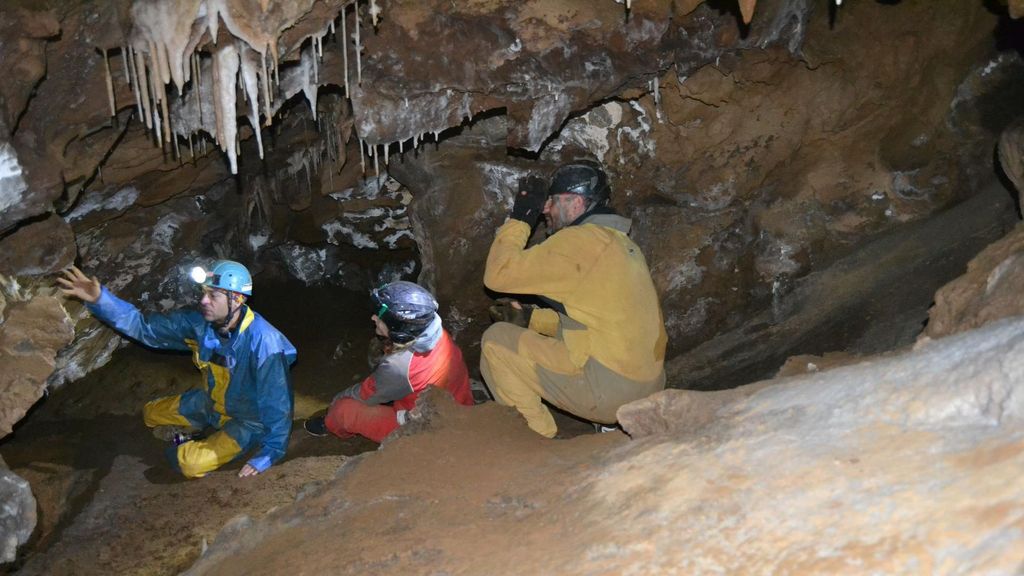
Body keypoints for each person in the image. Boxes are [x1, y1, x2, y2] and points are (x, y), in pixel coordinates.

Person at [480, 159, 667, 438]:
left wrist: (521, 217)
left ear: (576, 203)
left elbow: (497, 275)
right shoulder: (622, 245)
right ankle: (610, 422)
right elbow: (591, 321)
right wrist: (531, 319)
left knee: (495, 341)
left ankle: (534, 439)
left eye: (552, 201)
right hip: (648, 385)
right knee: (552, 338)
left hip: (611, 390)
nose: (546, 209)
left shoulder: (578, 242)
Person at [58, 260, 296, 479]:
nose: (204, 301)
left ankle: (194, 439)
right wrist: (100, 299)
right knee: (150, 413)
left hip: (247, 421)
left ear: (237, 299)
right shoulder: (201, 325)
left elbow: (277, 403)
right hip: (212, 404)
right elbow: (145, 328)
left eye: (213, 295)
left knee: (189, 464)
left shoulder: (264, 343)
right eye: (204, 293)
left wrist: (270, 452)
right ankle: (198, 430)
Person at [304, 281, 473, 442]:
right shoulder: (434, 331)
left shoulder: (400, 365)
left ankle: (329, 424)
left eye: (380, 318)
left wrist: (334, 403)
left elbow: (366, 395)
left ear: (398, 331)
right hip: (458, 405)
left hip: (428, 427)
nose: (373, 318)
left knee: (343, 410)